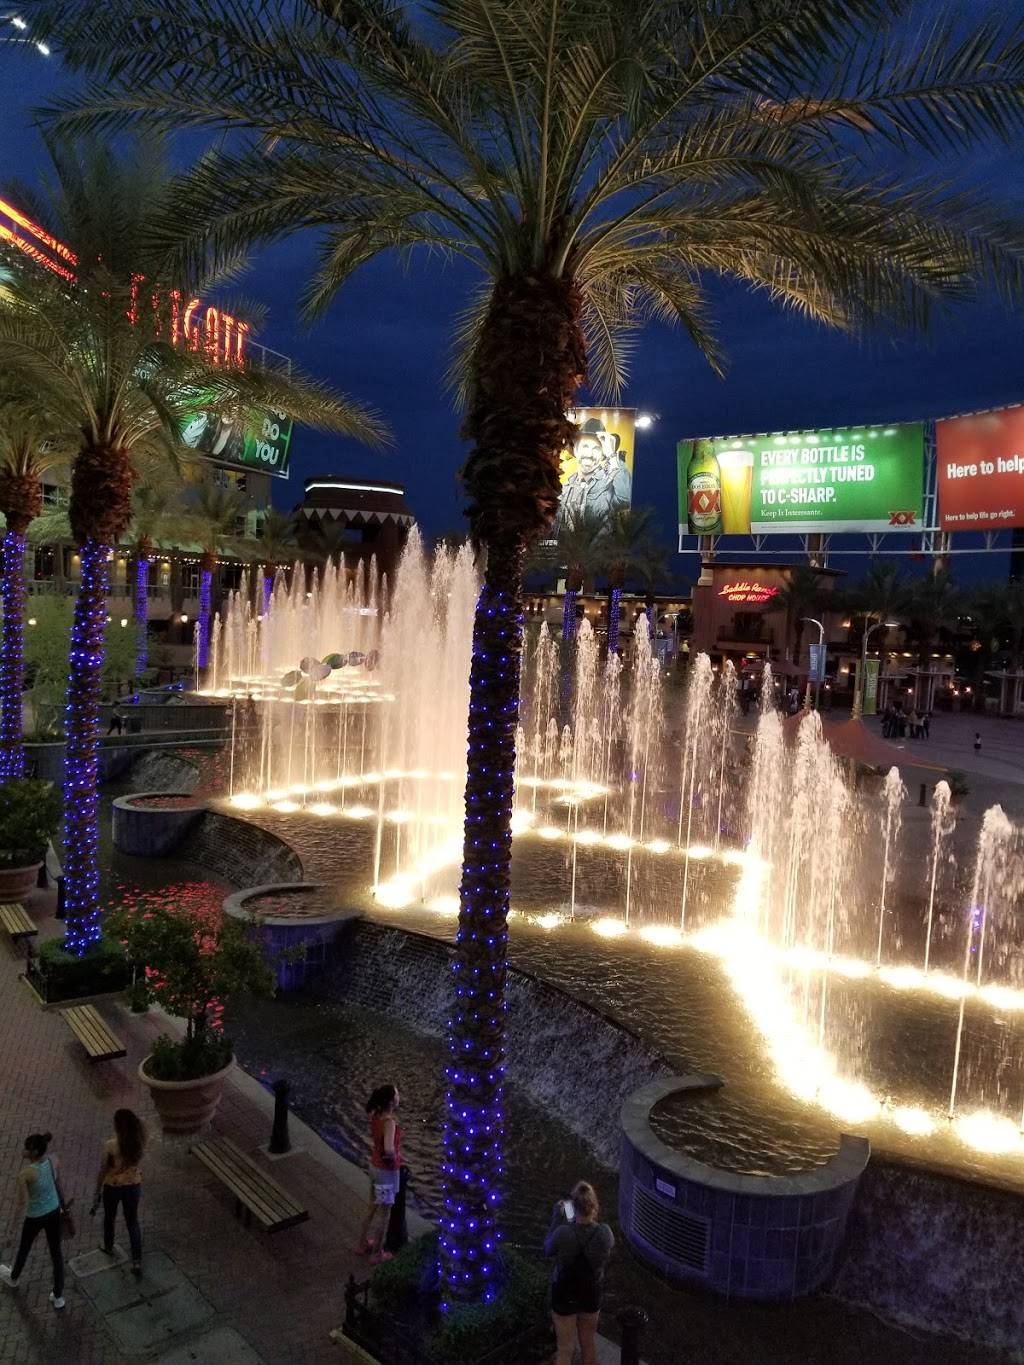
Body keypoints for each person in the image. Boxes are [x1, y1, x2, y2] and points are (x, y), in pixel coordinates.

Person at [544, 1181, 614, 1365]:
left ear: (573, 1206)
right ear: (594, 1206)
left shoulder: (563, 1233)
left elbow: (548, 1249)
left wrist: (557, 1217)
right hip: (591, 1293)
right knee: (588, 1343)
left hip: (565, 1294)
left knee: (565, 1349)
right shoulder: (605, 1233)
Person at [0, 1132, 67, 1311]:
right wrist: (63, 1206)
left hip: (35, 1216)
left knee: (25, 1247)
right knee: (56, 1253)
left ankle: (14, 1277)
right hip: (54, 1211)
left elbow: (21, 1203)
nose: (23, 1151)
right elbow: (58, 1184)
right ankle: (58, 1296)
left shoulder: (25, 1174)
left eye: (26, 1148)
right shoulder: (53, 1161)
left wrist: (11, 1230)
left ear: (34, 1152)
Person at [91, 1108, 146, 1276]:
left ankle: (108, 1246)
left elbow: (103, 1169)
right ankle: (137, 1260)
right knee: (132, 1222)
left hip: (112, 1187)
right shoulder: (139, 1140)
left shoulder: (111, 1145)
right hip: (133, 1185)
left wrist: (97, 1190)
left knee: (110, 1218)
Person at [355, 1084, 402, 1266]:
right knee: (384, 1213)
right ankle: (377, 1253)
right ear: (391, 1101)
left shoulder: (375, 1115)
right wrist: (395, 1157)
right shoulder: (389, 1122)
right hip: (386, 1173)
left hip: (374, 1167)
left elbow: (379, 1143)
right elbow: (388, 1148)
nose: (399, 1097)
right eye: (396, 1094)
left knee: (371, 1207)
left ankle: (361, 1244)